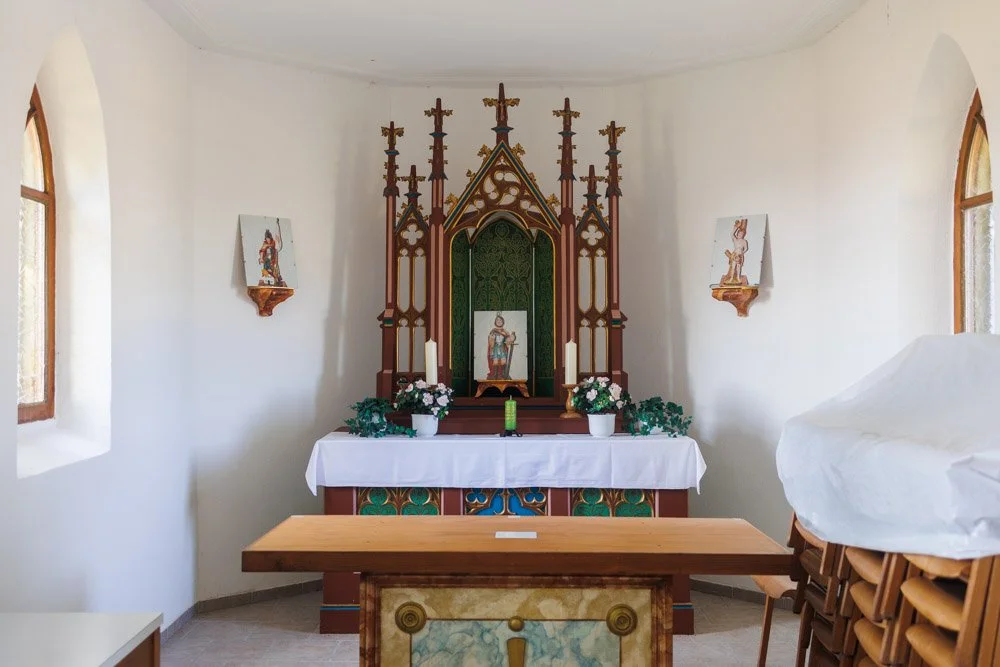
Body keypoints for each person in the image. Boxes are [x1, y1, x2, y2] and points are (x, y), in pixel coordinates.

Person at [721, 218, 749, 286]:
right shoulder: (735, 240)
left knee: (739, 267)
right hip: (735, 254)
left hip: (740, 255)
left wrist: (742, 253)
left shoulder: (744, 241)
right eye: (739, 233)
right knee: (733, 266)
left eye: (742, 234)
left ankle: (738, 278)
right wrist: (736, 227)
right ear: (737, 234)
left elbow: (746, 248)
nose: (740, 235)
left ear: (743, 235)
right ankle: (731, 278)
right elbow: (731, 234)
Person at [486, 314, 513, 380]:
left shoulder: (505, 331)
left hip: (502, 349)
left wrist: (510, 339)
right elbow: (490, 341)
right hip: (495, 348)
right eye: (497, 320)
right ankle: (495, 374)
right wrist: (491, 339)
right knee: (495, 361)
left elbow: (509, 340)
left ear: (503, 321)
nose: (499, 321)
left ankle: (502, 374)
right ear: (495, 322)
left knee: (503, 361)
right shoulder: (493, 331)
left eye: (500, 320)